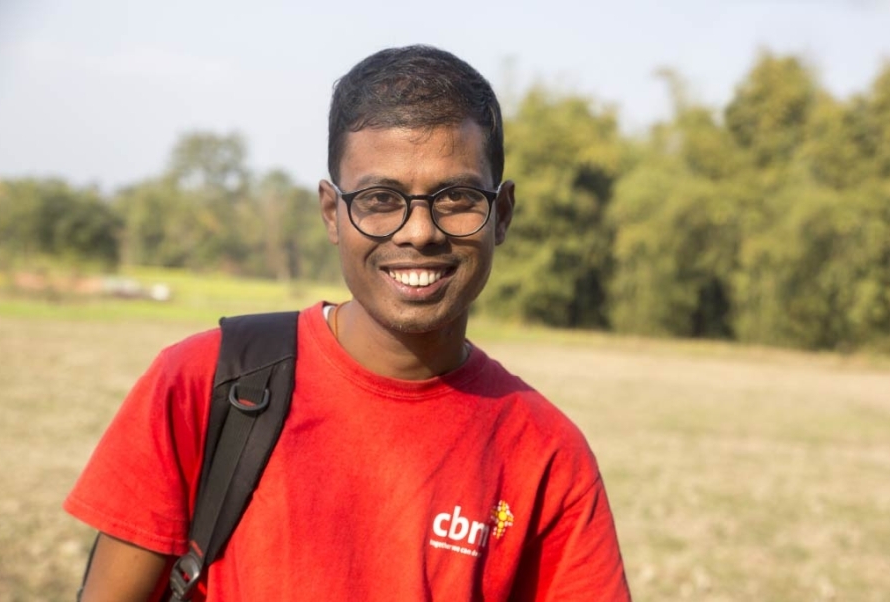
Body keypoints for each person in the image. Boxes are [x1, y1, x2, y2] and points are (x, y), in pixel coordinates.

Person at [65, 45, 631, 601]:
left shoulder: (547, 454)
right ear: (333, 214)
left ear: (501, 214)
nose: (418, 232)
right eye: (381, 198)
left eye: (457, 196)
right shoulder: (208, 381)